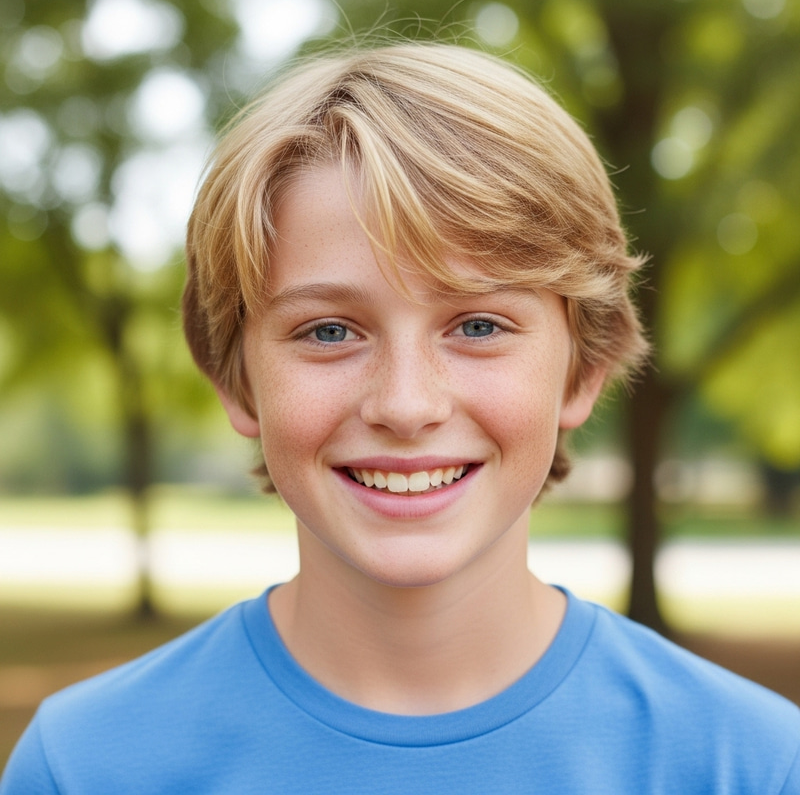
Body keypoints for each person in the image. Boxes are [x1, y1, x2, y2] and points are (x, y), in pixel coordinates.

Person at [2, 42, 799, 794]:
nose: (407, 405)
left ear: (582, 370)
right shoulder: (87, 764)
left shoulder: (748, 764)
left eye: (479, 326)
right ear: (237, 381)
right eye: (329, 331)